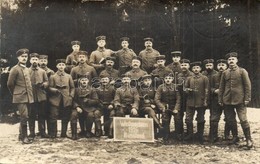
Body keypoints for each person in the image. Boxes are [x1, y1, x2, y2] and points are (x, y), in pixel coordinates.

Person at [219, 52, 253, 149]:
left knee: (243, 119)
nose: (231, 61)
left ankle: (248, 139)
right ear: (227, 61)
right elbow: (221, 87)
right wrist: (220, 99)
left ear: (237, 60)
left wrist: (247, 98)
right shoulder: (225, 73)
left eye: (233, 59)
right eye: (229, 60)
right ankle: (235, 137)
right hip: (227, 100)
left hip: (240, 100)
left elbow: (247, 86)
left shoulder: (242, 71)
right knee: (230, 119)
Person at [7, 48, 34, 144]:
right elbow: (10, 84)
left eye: (26, 56)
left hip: (28, 96)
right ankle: (24, 137)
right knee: (24, 116)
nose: (24, 58)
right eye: (22, 56)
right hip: (20, 96)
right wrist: (16, 94)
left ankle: (20, 135)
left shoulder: (27, 69)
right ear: (18, 57)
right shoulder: (15, 69)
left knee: (26, 116)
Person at [48, 59, 75, 138]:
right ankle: (53, 133)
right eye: (59, 65)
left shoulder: (68, 76)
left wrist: (71, 96)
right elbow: (49, 87)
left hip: (66, 98)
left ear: (65, 66)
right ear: (57, 66)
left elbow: (72, 87)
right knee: (54, 115)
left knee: (65, 116)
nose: (61, 66)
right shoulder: (53, 77)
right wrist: (54, 90)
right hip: (55, 99)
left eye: (63, 65)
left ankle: (63, 133)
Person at [184, 61, 209, 144]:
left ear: (200, 69)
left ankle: (200, 135)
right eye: (194, 68)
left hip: (200, 101)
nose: (195, 69)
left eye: (197, 68)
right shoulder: (189, 78)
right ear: (192, 69)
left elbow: (206, 90)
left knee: (201, 118)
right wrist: (188, 90)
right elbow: (185, 88)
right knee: (188, 118)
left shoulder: (204, 78)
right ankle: (190, 134)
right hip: (190, 101)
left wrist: (205, 101)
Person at [209, 59, 233, 143]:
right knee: (214, 118)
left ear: (226, 66)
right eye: (219, 65)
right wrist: (214, 91)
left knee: (229, 118)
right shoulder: (213, 77)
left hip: (227, 100)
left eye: (223, 65)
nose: (221, 67)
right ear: (217, 66)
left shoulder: (230, 75)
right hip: (215, 100)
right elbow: (208, 88)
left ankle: (227, 135)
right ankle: (213, 136)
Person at [154, 73, 181, 143]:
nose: (168, 80)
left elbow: (178, 99)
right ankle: (166, 135)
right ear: (164, 79)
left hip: (174, 106)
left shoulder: (175, 87)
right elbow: (157, 99)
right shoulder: (160, 87)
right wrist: (162, 107)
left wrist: (176, 108)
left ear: (172, 79)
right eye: (166, 78)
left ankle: (177, 135)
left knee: (178, 119)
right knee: (165, 120)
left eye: (169, 78)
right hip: (165, 106)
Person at [28, 53, 49, 139]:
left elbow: (47, 81)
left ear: (38, 61)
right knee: (31, 115)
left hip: (41, 95)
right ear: (30, 61)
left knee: (42, 114)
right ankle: (32, 132)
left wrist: (44, 84)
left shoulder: (42, 71)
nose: (35, 61)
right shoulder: (26, 71)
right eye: (33, 60)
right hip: (31, 95)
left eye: (36, 60)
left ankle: (42, 132)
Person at [176, 59, 194, 140]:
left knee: (188, 117)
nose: (183, 67)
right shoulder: (178, 75)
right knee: (179, 116)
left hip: (190, 98)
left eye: (185, 65)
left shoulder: (192, 75)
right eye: (182, 65)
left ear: (189, 66)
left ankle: (190, 133)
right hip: (180, 98)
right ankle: (180, 133)